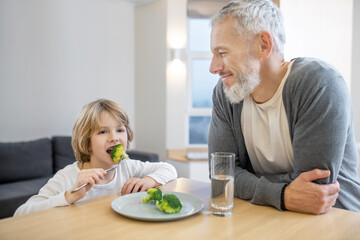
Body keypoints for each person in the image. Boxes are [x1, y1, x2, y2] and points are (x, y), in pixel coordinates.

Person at [208, 0, 360, 214]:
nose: (213, 68)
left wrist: (244, 179)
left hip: (337, 219)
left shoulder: (319, 83)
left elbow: (313, 190)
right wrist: (282, 194)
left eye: (222, 53)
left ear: (263, 45)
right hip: (267, 216)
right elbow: (221, 174)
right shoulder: (226, 92)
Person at [14, 99, 177, 216]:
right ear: (87, 143)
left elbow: (169, 168)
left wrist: (149, 180)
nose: (114, 137)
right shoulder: (67, 177)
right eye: (103, 132)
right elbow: (20, 214)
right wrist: (69, 196)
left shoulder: (128, 166)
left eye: (120, 130)